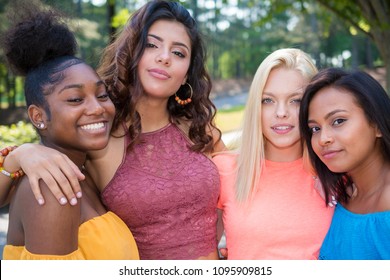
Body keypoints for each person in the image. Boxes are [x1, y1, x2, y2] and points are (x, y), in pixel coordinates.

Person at [0, 0, 225, 260]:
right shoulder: (101, 135)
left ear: (186, 74)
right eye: (152, 45)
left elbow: (235, 198)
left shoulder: (201, 129)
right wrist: (22, 154)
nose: (165, 57)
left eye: (179, 53)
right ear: (131, 54)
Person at [0, 2, 139, 260]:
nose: (97, 108)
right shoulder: (54, 188)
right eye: (75, 99)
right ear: (38, 116)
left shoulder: (82, 175)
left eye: (101, 95)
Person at [213, 48, 334, 259]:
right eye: (268, 100)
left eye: (295, 100)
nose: (281, 113)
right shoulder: (224, 170)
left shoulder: (335, 171)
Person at [299, 67, 390, 260]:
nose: (323, 138)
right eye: (315, 128)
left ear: (377, 124)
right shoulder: (343, 194)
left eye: (338, 121)